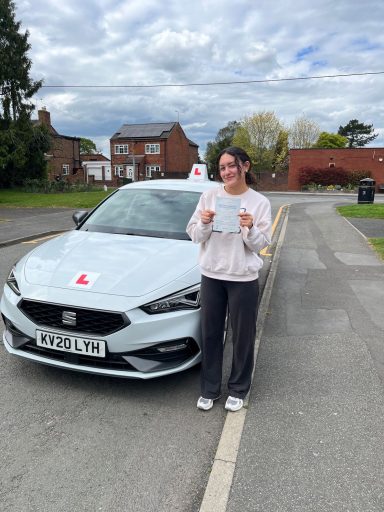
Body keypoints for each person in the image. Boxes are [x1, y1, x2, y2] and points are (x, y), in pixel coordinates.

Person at [186, 146, 272, 412]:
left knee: (243, 336)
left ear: (245, 166)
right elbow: (194, 235)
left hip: (243, 277)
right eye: (222, 168)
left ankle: (238, 388)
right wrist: (204, 223)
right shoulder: (209, 196)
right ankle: (210, 388)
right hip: (212, 275)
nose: (226, 172)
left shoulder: (259, 202)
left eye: (231, 166)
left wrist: (249, 228)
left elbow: (261, 245)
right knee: (210, 333)